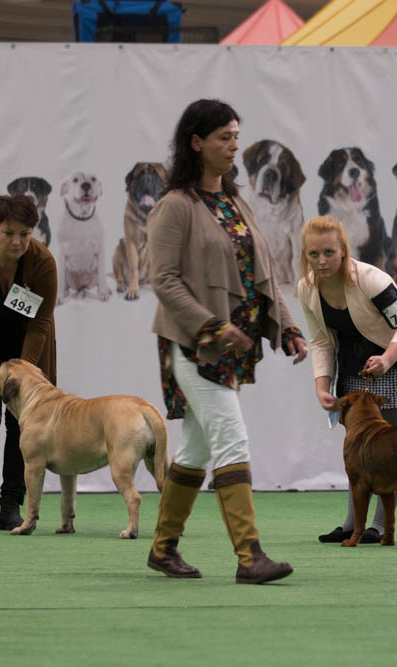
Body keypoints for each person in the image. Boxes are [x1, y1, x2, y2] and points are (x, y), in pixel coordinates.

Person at [146, 99, 307, 584]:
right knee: (231, 437)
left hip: (233, 348)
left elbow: (265, 275)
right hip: (194, 345)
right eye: (224, 137)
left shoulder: (237, 203)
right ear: (196, 142)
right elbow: (165, 281)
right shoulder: (174, 207)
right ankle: (249, 557)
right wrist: (211, 328)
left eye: (236, 136)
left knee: (195, 449)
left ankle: (162, 549)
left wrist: (288, 326)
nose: (234, 145)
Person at [296, 215, 397, 545]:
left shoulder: (371, 279)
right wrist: (321, 385)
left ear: (344, 250)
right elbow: (319, 341)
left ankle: (380, 526)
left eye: (329, 252)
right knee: (357, 449)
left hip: (395, 358)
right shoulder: (307, 288)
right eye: (313, 254)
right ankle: (351, 523)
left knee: (396, 449)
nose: (321, 261)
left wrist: (387, 358)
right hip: (352, 365)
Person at [0, 194, 57, 531]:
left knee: (23, 428)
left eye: (25, 234)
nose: (17, 242)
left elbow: (40, 323)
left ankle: (12, 506)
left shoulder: (43, 263)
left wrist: (24, 369)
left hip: (26, 353)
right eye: (8, 233)